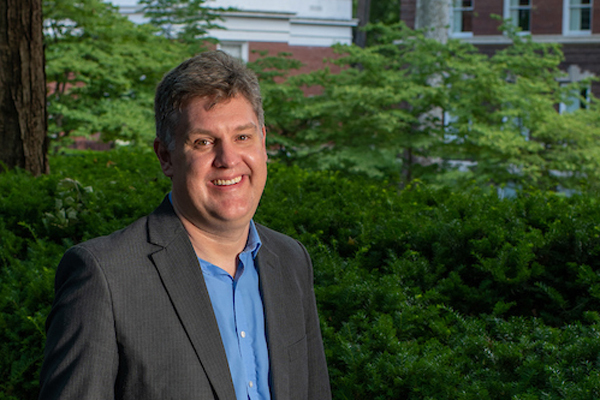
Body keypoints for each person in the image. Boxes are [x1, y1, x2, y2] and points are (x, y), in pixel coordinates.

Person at [39, 50, 331, 400]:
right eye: (203, 142)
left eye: (242, 137)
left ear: (263, 142)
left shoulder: (291, 261)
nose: (228, 160)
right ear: (166, 156)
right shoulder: (105, 277)